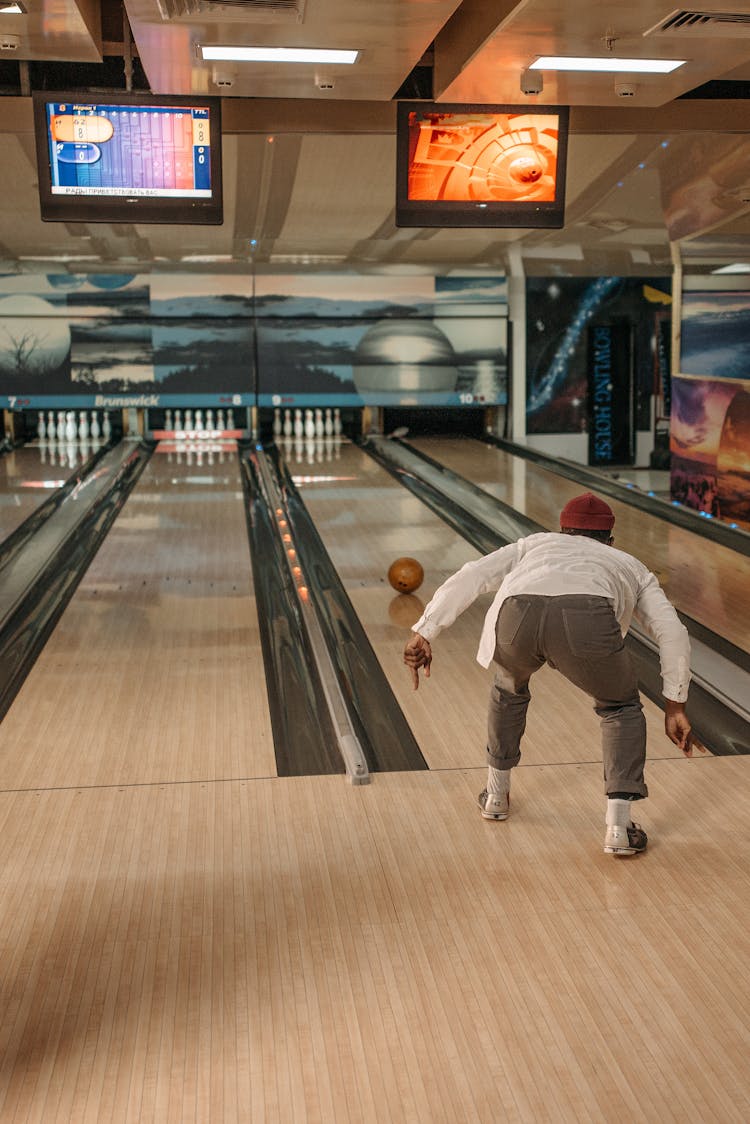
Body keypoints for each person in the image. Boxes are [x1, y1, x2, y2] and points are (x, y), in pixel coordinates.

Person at [403, 492, 704, 855]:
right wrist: (675, 704)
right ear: (609, 540)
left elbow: (473, 575)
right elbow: (671, 631)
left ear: (562, 530)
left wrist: (424, 630)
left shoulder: (534, 545)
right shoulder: (629, 563)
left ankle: (496, 797)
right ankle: (619, 829)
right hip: (586, 623)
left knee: (508, 689)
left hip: (517, 617)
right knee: (620, 707)